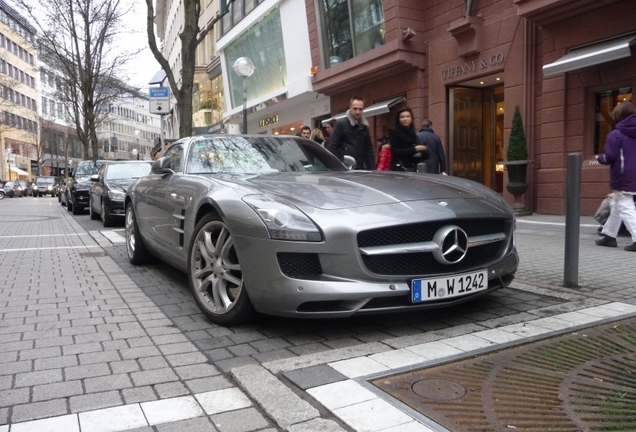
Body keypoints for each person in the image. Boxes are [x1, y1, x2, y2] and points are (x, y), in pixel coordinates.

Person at [595, 101, 636, 251]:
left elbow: (610, 156)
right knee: (617, 205)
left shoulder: (616, 134)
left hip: (623, 175)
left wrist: (600, 158)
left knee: (625, 206)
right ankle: (609, 236)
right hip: (633, 174)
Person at [326, 97, 375, 170]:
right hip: (345, 168)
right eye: (355, 109)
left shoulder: (364, 127)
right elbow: (332, 147)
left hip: (360, 169)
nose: (358, 111)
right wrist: (339, 165)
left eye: (360, 109)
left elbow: (369, 150)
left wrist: (372, 169)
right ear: (350, 108)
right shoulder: (341, 124)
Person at [385, 107, 427, 171]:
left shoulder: (412, 132)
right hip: (399, 168)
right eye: (402, 117)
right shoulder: (395, 132)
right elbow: (396, 151)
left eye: (407, 116)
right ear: (398, 119)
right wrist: (415, 148)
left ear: (411, 119)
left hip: (412, 167)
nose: (405, 119)